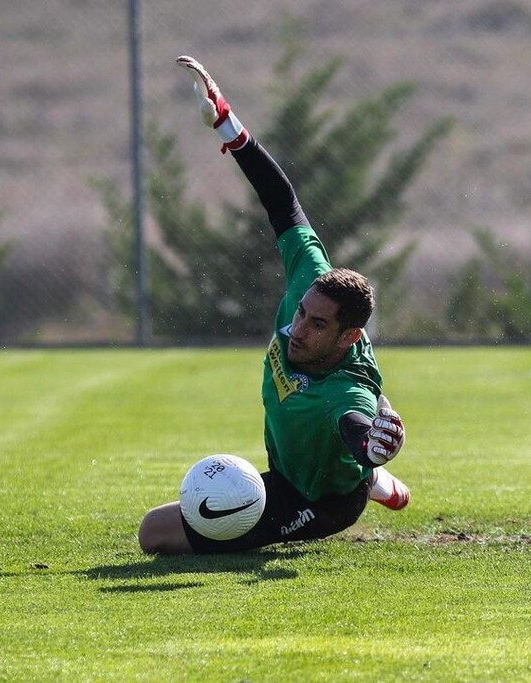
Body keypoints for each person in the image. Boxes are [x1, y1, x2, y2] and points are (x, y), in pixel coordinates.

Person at [138, 56, 410, 555]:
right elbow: (282, 201)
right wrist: (228, 124)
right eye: (302, 311)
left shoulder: (348, 392)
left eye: (316, 323)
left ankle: (365, 478)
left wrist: (366, 444)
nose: (298, 327)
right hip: (292, 460)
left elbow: (352, 422)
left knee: (153, 535)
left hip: (318, 497)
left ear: (349, 337)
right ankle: (373, 475)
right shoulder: (313, 279)